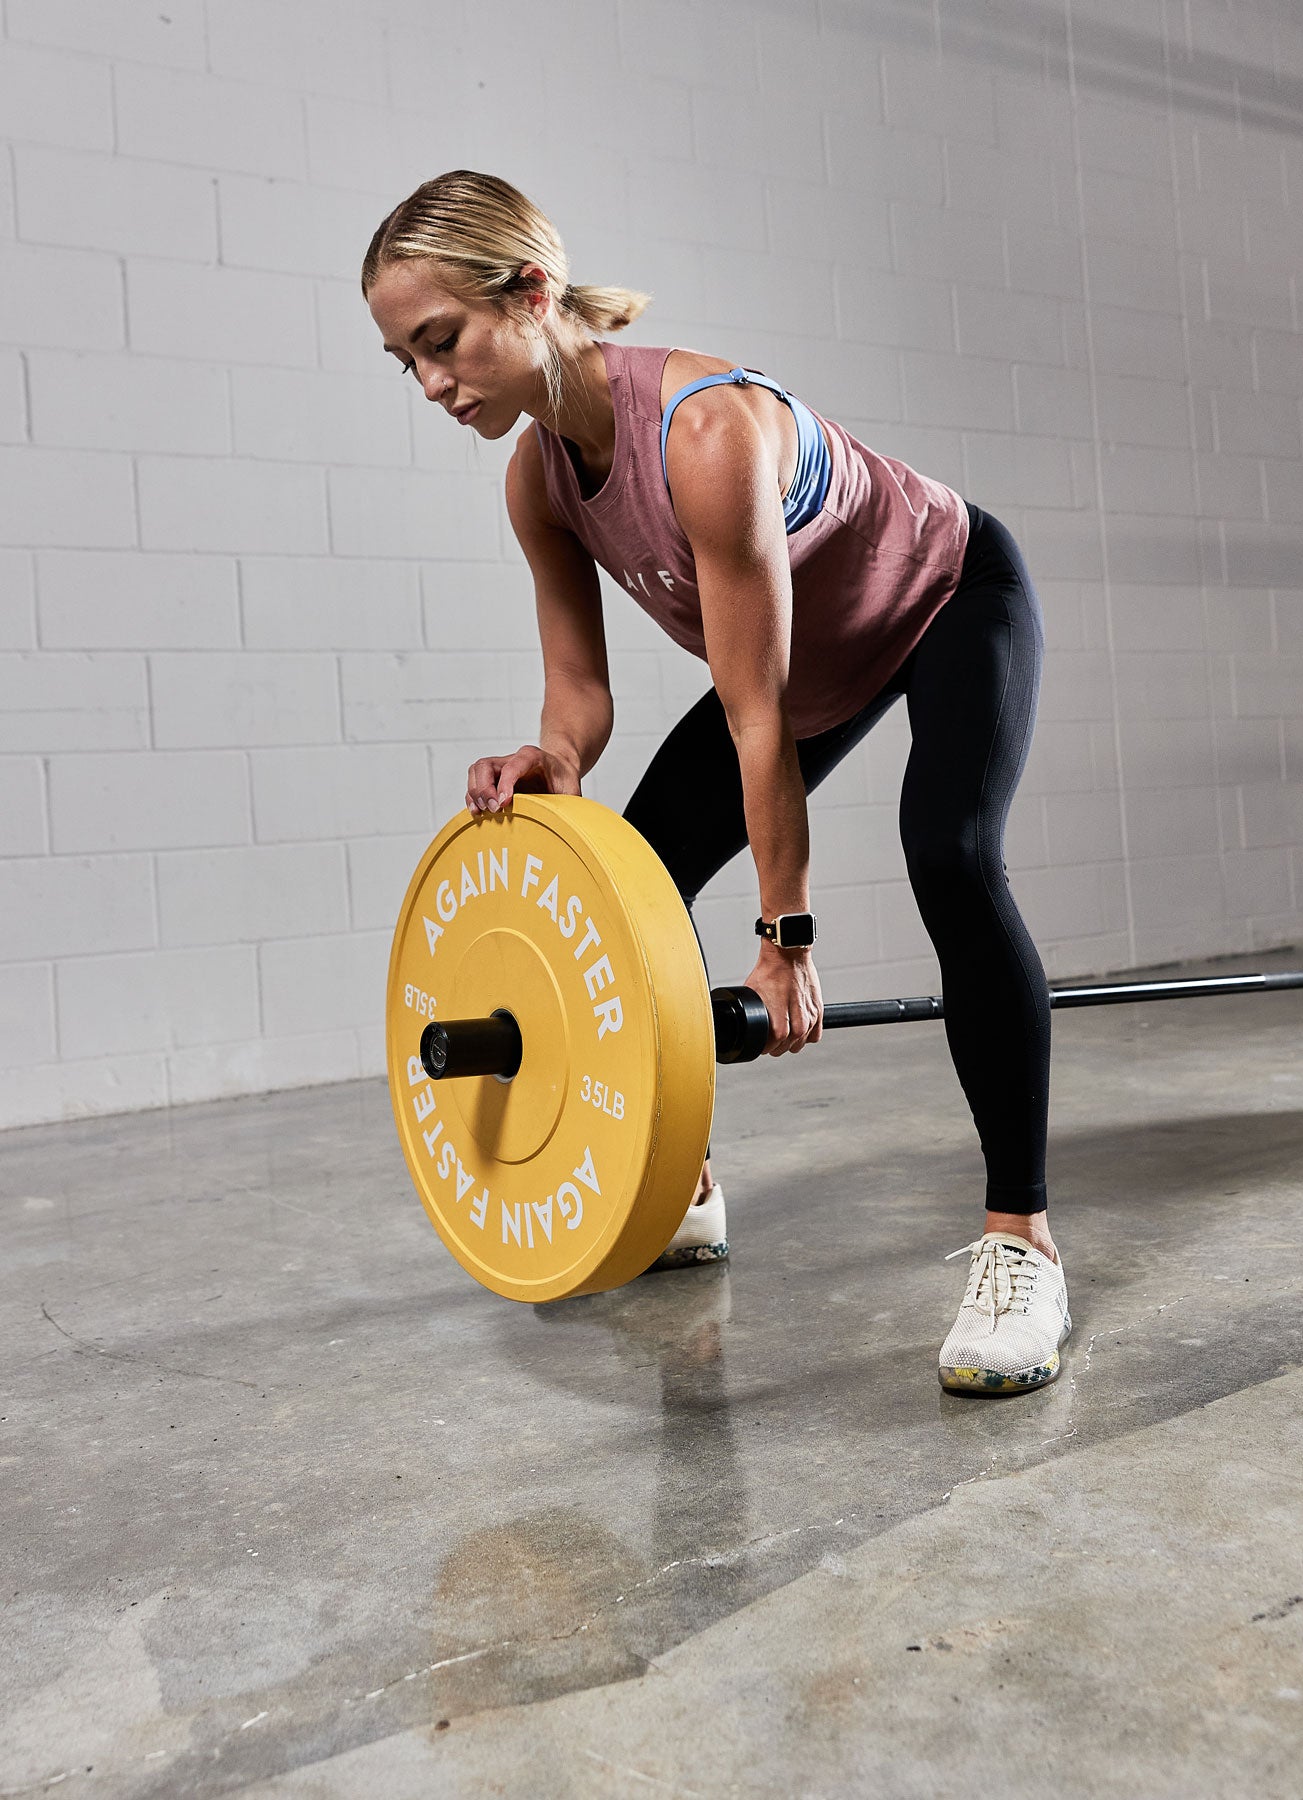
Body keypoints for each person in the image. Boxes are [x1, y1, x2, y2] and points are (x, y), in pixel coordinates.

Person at [363, 172, 1070, 1394]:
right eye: (405, 361)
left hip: (950, 599)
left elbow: (759, 715)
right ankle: (681, 1184)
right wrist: (555, 759)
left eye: (442, 342)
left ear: (530, 291)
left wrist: (786, 938)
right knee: (632, 877)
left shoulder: (703, 432)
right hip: (812, 665)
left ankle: (1024, 1245)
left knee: (950, 853)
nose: (432, 384)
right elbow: (579, 697)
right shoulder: (537, 481)